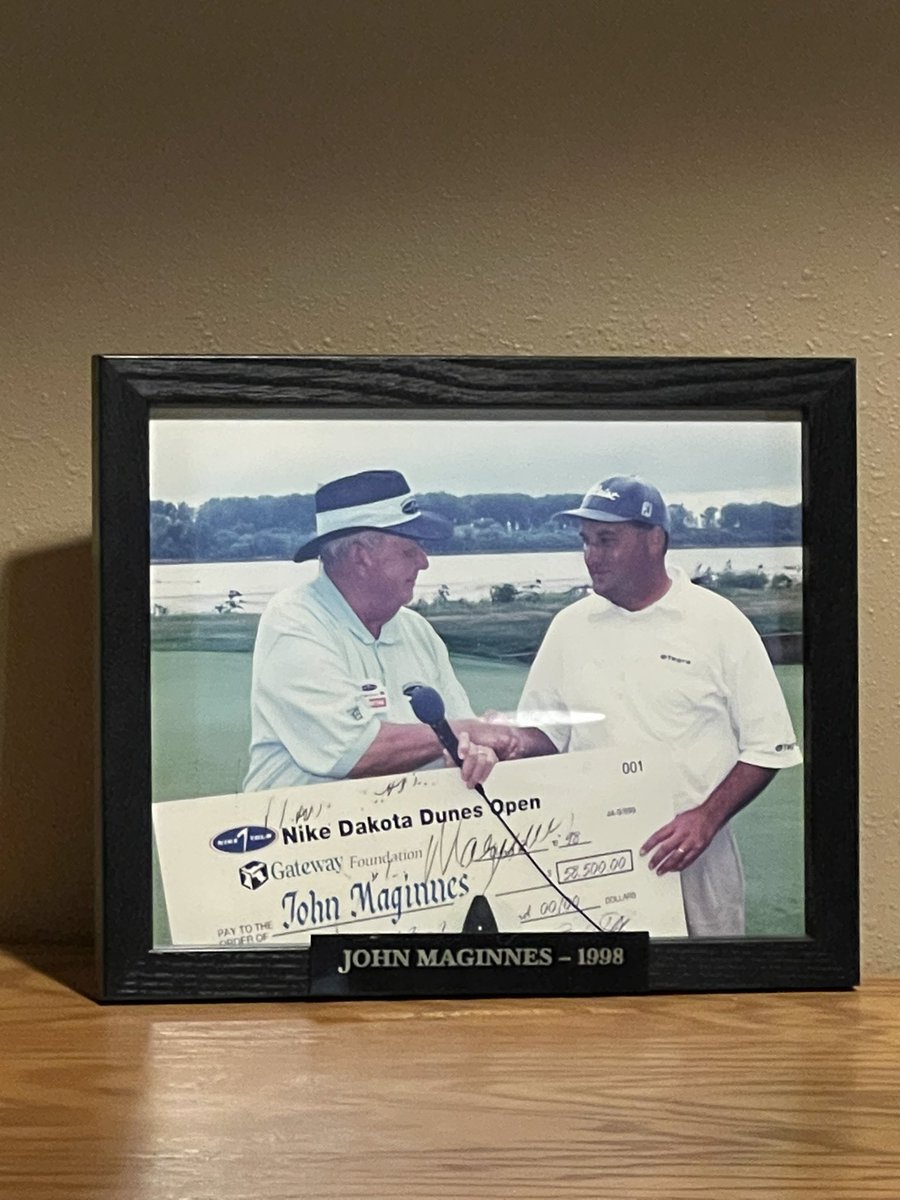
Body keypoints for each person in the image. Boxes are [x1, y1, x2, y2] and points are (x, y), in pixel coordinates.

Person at [511, 475, 803, 937]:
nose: (592, 556)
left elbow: (769, 748)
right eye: (586, 542)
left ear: (655, 541)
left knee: (706, 999)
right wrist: (505, 740)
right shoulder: (569, 627)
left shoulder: (719, 622)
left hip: (692, 853)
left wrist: (705, 819)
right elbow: (545, 734)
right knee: (595, 997)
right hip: (590, 849)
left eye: (607, 540)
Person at [243, 469, 515, 793]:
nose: (424, 562)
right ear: (361, 556)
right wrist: (471, 731)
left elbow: (460, 736)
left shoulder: (418, 631)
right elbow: (353, 751)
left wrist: (476, 752)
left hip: (398, 831)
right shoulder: (293, 620)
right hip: (297, 834)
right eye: (408, 549)